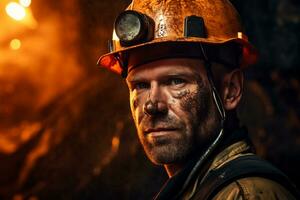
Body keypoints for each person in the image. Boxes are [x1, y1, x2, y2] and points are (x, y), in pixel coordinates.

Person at [97, 0, 299, 199]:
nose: (151, 104)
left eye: (176, 81)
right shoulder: (201, 190)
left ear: (231, 90)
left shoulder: (246, 194)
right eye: (140, 85)